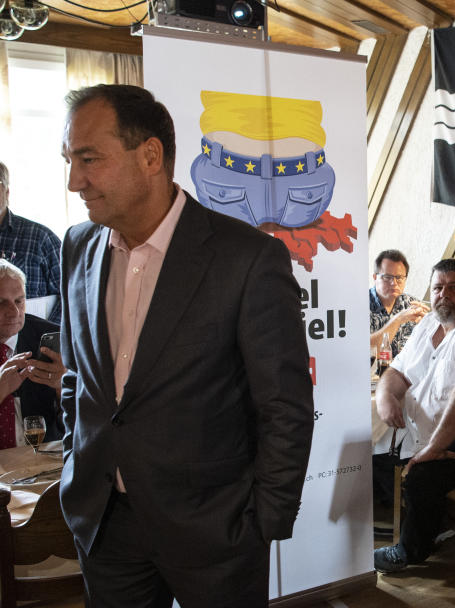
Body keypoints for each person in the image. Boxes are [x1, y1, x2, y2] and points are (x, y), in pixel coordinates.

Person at [59, 84, 314, 608]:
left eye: (89, 159)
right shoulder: (78, 246)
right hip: (106, 527)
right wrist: (76, 463)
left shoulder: (247, 258)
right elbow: (76, 379)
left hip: (217, 533)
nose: (73, 181)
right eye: (70, 160)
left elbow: (285, 406)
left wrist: (262, 522)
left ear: (150, 155)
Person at [373, 258, 455, 573]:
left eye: (453, 287)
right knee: (376, 456)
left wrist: (432, 450)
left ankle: (411, 551)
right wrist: (385, 396)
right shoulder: (429, 323)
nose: (443, 295)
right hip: (433, 433)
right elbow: (397, 370)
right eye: (438, 287)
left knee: (422, 476)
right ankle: (429, 524)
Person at [0, 259, 65, 446]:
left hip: (41, 461)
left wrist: (65, 388)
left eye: (19, 301)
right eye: (1, 302)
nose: (14, 312)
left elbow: (82, 427)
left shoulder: (53, 338)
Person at [0, 161, 62, 321]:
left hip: (30, 341)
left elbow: (71, 294)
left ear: (6, 192)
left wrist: (46, 333)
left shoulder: (40, 238)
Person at [369, 249, 428, 356]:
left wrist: (428, 326)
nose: (394, 283)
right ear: (375, 277)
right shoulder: (358, 305)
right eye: (387, 277)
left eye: (399, 277)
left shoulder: (411, 304)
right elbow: (364, 349)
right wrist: (398, 320)